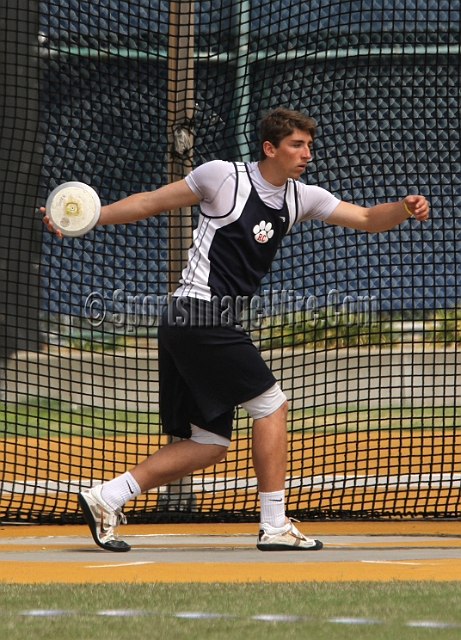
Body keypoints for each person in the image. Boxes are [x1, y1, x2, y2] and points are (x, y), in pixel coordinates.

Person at [43, 106, 429, 552]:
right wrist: (89, 217)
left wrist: (403, 208)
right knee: (271, 405)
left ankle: (106, 498)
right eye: (296, 145)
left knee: (208, 443)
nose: (306, 154)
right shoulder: (222, 177)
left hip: (194, 322)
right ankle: (274, 524)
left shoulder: (300, 197)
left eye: (308, 145)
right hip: (199, 313)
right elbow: (150, 201)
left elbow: (364, 218)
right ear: (270, 147)